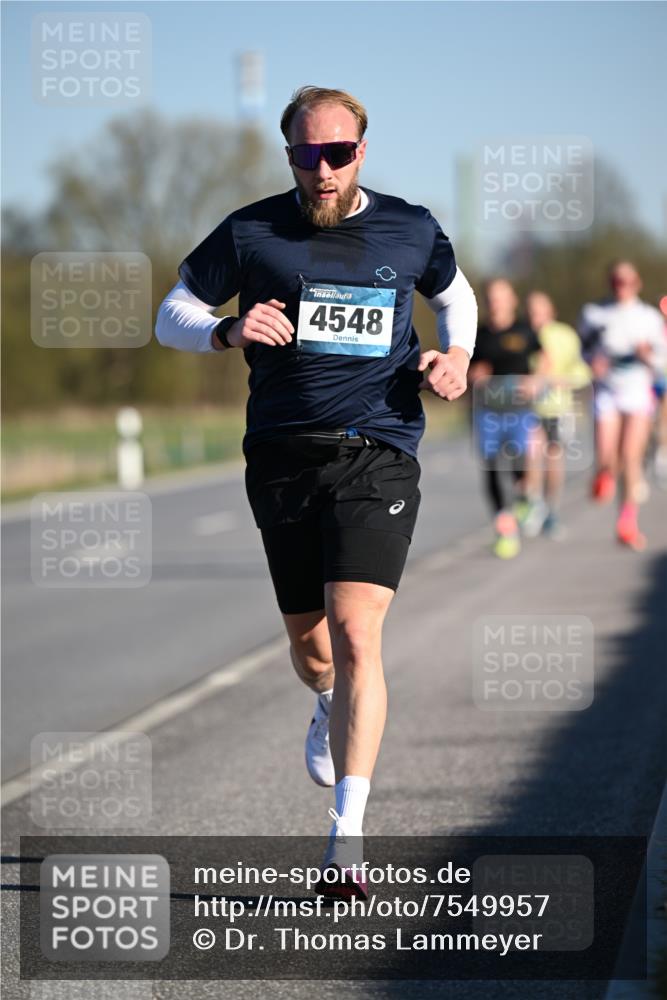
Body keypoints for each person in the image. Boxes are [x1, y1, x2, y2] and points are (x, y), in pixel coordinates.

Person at [155, 86, 477, 897]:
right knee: (314, 648)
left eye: (338, 154)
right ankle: (324, 699)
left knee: (358, 629)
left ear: (362, 151)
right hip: (281, 456)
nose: (323, 169)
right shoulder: (252, 230)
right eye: (307, 154)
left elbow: (453, 294)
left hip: (379, 449)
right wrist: (226, 330)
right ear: (289, 153)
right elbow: (172, 312)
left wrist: (456, 355)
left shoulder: (410, 226)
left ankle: (347, 839)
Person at [577, 261, 665, 550]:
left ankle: (627, 521)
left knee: (630, 456)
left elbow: (662, 360)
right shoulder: (594, 314)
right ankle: (604, 475)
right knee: (606, 457)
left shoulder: (649, 317)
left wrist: (647, 357)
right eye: (616, 280)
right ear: (610, 282)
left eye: (627, 281)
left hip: (637, 390)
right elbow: (583, 351)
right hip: (607, 390)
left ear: (637, 283)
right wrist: (593, 363)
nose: (622, 286)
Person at [468, 279, 545, 559]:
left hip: (519, 409)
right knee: (490, 468)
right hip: (487, 411)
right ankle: (505, 527)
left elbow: (544, 358)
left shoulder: (525, 330)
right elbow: (466, 371)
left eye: (501, 297)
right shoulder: (479, 335)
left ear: (512, 300)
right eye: (491, 298)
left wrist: (536, 380)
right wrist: (474, 374)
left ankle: (526, 497)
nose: (495, 303)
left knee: (520, 464)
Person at [525, 291, 591, 539]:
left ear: (551, 312)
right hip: (528, 409)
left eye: (540, 311)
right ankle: (534, 504)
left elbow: (582, 371)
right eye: (531, 311)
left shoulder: (564, 335)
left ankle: (552, 510)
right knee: (531, 456)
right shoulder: (524, 334)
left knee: (553, 459)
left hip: (558, 408)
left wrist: (560, 380)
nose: (535, 317)